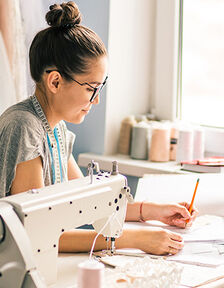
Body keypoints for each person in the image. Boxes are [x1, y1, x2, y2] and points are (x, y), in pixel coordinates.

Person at [0, 1, 198, 256]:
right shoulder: (25, 127)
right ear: (55, 81)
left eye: (99, 88)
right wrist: (132, 239)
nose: (96, 100)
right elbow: (38, 235)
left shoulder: (55, 129)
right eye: (91, 88)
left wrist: (153, 211)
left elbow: (90, 203)